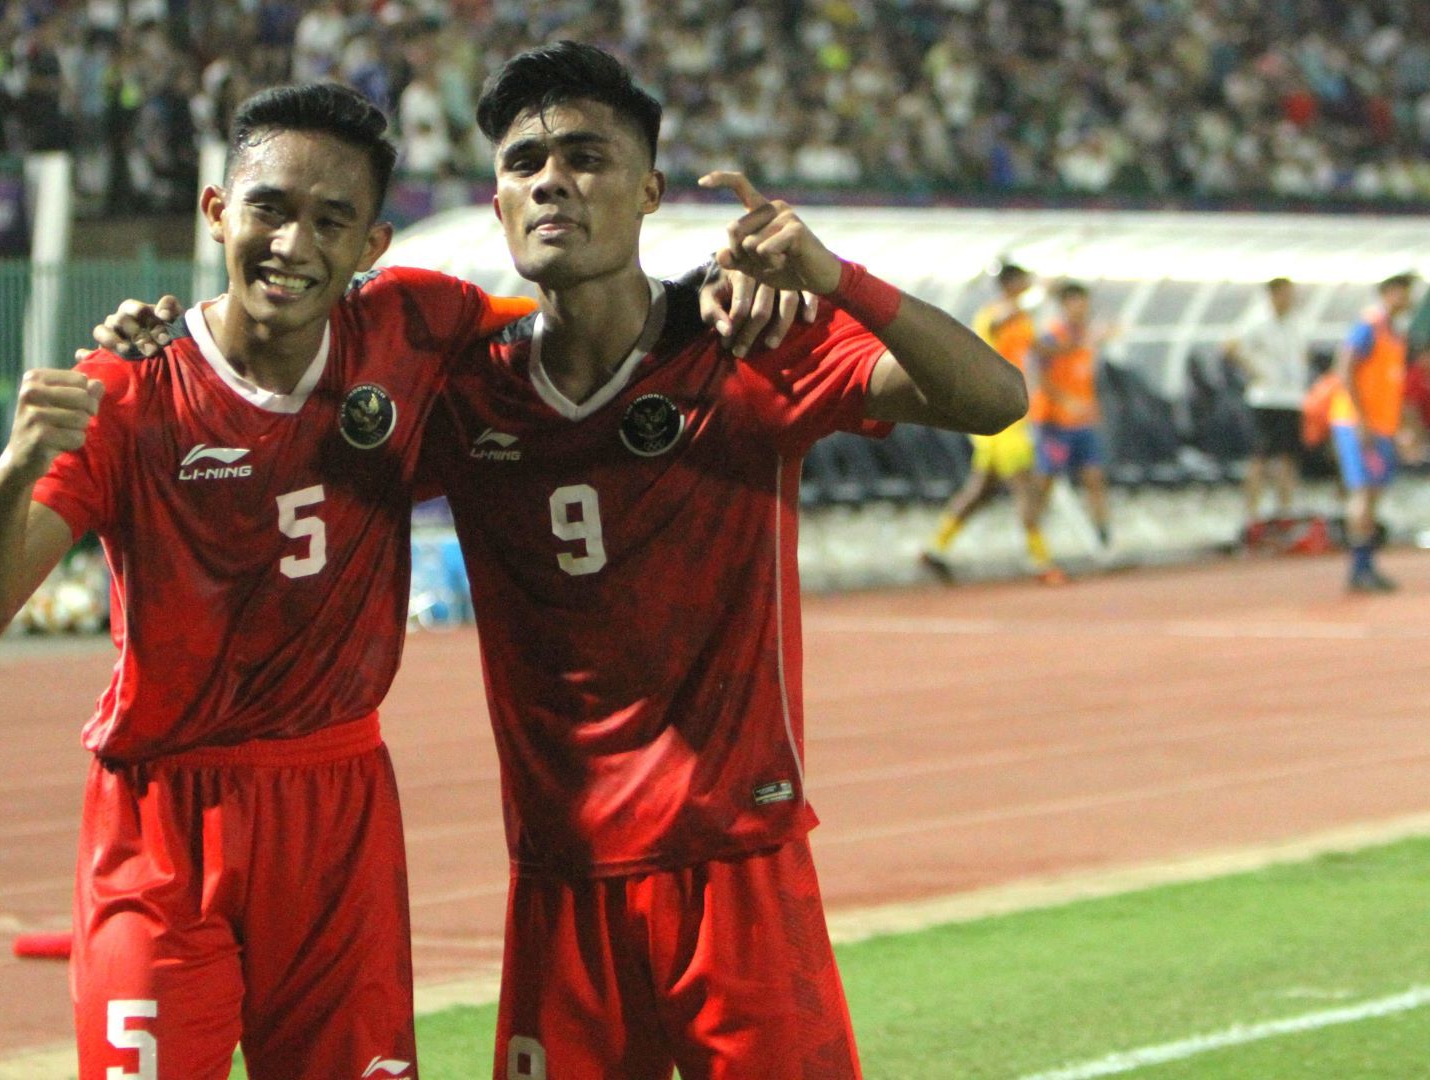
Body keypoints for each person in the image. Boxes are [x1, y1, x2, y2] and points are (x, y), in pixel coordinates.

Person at [113, 43, 1024, 1080]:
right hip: (563, 875)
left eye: (586, 157)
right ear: (499, 206)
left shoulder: (741, 348)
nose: (550, 179)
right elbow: (268, 412)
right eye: (524, 162)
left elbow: (993, 399)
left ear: (649, 192)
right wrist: (170, 348)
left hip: (736, 864)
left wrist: (834, 278)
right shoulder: (461, 391)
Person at [0, 85, 542, 1080]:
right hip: (161, 816)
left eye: (330, 220)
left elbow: (581, 334)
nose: (292, 242)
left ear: (372, 244)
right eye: (269, 208)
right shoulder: (128, 388)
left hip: (337, 811)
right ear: (218, 209)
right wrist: (13, 473)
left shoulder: (419, 327)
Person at [920, 263, 1061, 583]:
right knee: (1025, 487)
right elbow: (1003, 321)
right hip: (1000, 416)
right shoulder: (993, 314)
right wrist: (1040, 292)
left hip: (1010, 413)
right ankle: (1042, 562)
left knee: (981, 490)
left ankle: (935, 549)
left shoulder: (1021, 319)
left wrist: (1081, 340)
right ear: (1011, 284)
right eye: (1023, 282)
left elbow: (1038, 349)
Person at [1330, 273, 1415, 593]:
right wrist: (1361, 421)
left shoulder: (1396, 334)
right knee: (1363, 492)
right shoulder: (1369, 325)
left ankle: (1366, 564)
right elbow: (1346, 367)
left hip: (1382, 426)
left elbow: (1394, 387)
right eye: (1404, 293)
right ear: (1389, 293)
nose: (1408, 299)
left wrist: (1402, 428)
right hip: (1357, 424)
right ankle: (1358, 568)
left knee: (1375, 492)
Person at [1026, 281, 1115, 554]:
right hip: (1054, 422)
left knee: (1094, 477)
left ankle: (1103, 539)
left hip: (1083, 423)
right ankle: (1034, 539)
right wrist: (1065, 401)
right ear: (1064, 306)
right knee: (1045, 482)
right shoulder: (1052, 337)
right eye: (1075, 304)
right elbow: (1038, 374)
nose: (1081, 310)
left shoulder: (1087, 336)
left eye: (1084, 304)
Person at [1225, 277, 1309, 527]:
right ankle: (1251, 516)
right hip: (1266, 400)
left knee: (1287, 458)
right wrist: (1256, 371)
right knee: (1259, 457)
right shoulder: (1256, 320)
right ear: (1273, 295)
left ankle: (1286, 513)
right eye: (1286, 294)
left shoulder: (1296, 322)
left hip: (1291, 399)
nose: (1291, 299)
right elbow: (1230, 347)